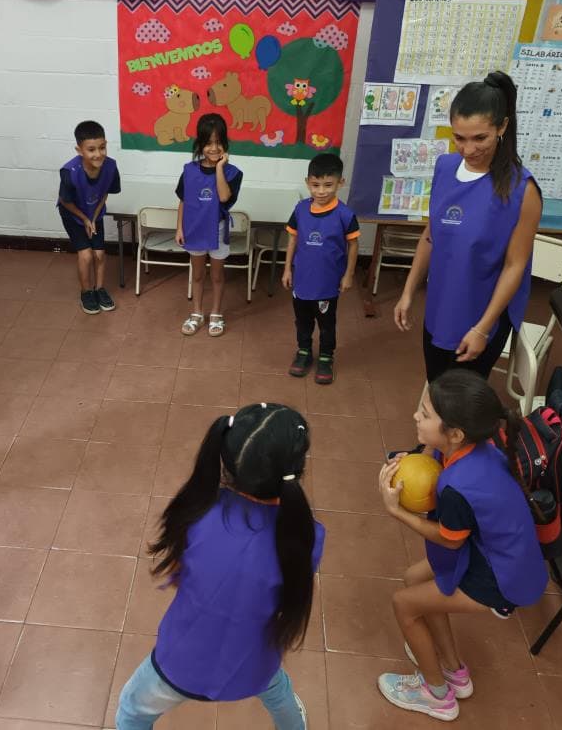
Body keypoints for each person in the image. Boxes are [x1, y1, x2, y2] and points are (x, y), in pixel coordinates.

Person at [116, 403, 323, 730]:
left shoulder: (196, 513)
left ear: (226, 459)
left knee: (131, 711)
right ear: (296, 471)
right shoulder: (307, 535)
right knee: (279, 691)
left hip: (179, 663)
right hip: (255, 662)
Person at [376, 370, 547, 721]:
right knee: (413, 578)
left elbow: (448, 540)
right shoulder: (476, 447)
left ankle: (437, 694)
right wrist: (412, 458)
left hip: (498, 577)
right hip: (503, 555)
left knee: (404, 604)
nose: (415, 417)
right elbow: (433, 459)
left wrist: (396, 511)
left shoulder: (455, 488)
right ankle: (455, 671)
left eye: (425, 414)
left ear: (454, 433)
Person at [394, 71, 542, 383]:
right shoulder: (445, 168)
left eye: (480, 138)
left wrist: (482, 328)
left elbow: (516, 266)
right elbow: (431, 237)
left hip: (482, 313)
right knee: (437, 384)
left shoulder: (521, 190)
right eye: (459, 137)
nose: (468, 149)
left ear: (501, 127)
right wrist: (408, 292)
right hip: (441, 305)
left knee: (463, 400)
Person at [281, 153, 360, 386]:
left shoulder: (346, 215)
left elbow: (353, 245)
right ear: (308, 182)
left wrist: (349, 274)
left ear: (340, 183)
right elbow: (292, 241)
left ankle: (326, 356)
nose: (321, 191)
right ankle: (303, 351)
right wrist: (287, 269)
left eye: (328, 185)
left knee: (326, 323)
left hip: (328, 283)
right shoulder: (300, 209)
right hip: (302, 280)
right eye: (315, 185)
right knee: (302, 320)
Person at [175, 113, 243, 337]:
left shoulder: (233, 173)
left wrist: (220, 168)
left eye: (218, 142)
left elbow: (223, 197)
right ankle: (196, 313)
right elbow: (183, 201)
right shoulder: (188, 170)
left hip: (218, 230)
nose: (213, 148)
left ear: (225, 143)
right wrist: (179, 228)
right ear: (200, 144)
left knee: (216, 276)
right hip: (194, 229)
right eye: (208, 143)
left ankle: (216, 313)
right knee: (197, 275)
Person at [57, 120, 121, 314]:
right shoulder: (70, 172)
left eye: (102, 148)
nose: (98, 154)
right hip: (73, 214)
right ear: (79, 150)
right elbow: (65, 201)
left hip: (94, 212)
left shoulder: (110, 166)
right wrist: (84, 219)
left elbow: (104, 193)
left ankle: (99, 289)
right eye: (91, 149)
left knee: (99, 253)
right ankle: (86, 292)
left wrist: (93, 217)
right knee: (86, 255)